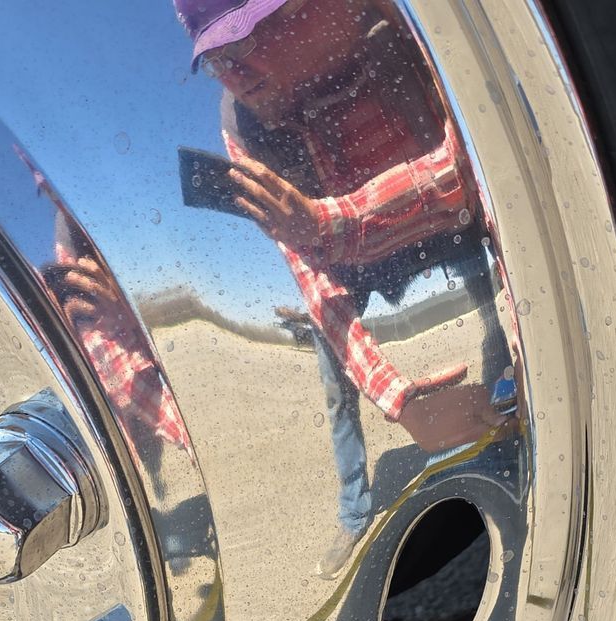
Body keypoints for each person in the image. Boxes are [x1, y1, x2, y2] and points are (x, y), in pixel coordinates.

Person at [178, 0, 507, 575]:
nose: (236, 75)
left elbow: (473, 170)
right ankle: (354, 512)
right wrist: (399, 400)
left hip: (436, 227)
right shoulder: (244, 123)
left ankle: (504, 429)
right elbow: (308, 270)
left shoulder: (394, 29)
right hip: (344, 258)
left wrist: (326, 224)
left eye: (248, 37)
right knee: (336, 388)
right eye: (216, 60)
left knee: (495, 304)